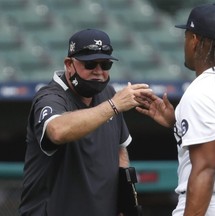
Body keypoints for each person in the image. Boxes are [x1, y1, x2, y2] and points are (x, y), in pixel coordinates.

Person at [136, 3, 215, 216]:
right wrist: (177, 123)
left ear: (194, 40)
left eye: (186, 36)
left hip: (213, 205)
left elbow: (206, 169)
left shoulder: (200, 91)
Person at [19, 28, 151, 216]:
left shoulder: (108, 94)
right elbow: (57, 131)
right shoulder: (50, 97)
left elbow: (120, 149)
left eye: (105, 65)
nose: (98, 72)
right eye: (90, 65)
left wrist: (124, 202)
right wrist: (114, 105)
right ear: (69, 64)